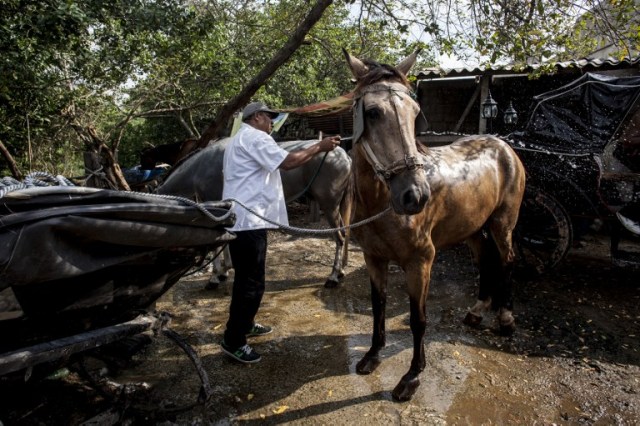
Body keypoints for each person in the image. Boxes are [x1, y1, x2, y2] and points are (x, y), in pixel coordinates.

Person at [220, 101, 341, 363]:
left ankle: (246, 324)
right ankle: (234, 341)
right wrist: (320, 147)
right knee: (250, 283)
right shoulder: (256, 137)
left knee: (247, 280)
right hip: (248, 222)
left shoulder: (240, 139)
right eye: (270, 118)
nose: (272, 123)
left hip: (243, 220)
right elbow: (289, 162)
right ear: (257, 117)